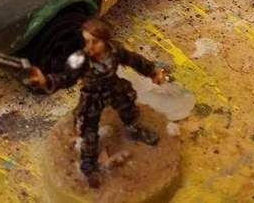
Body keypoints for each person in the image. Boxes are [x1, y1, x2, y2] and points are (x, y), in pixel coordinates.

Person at [26, 18, 168, 187]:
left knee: (128, 108)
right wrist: (46, 81)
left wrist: (153, 72)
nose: (90, 46)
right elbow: (65, 77)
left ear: (105, 41)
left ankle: (134, 129)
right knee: (88, 130)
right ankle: (88, 163)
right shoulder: (79, 59)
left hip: (113, 87)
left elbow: (134, 60)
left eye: (95, 42)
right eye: (86, 41)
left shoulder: (115, 51)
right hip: (92, 96)